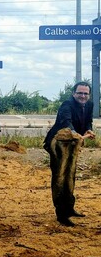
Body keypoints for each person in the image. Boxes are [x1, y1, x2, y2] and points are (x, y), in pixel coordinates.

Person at [43, 81, 95, 227]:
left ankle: (69, 208)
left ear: (89, 95)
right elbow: (66, 122)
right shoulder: (67, 105)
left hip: (73, 144)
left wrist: (88, 130)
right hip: (58, 144)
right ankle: (61, 214)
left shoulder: (89, 105)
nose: (83, 96)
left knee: (70, 175)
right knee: (60, 177)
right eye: (80, 93)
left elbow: (88, 121)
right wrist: (75, 133)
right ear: (74, 93)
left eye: (85, 93)